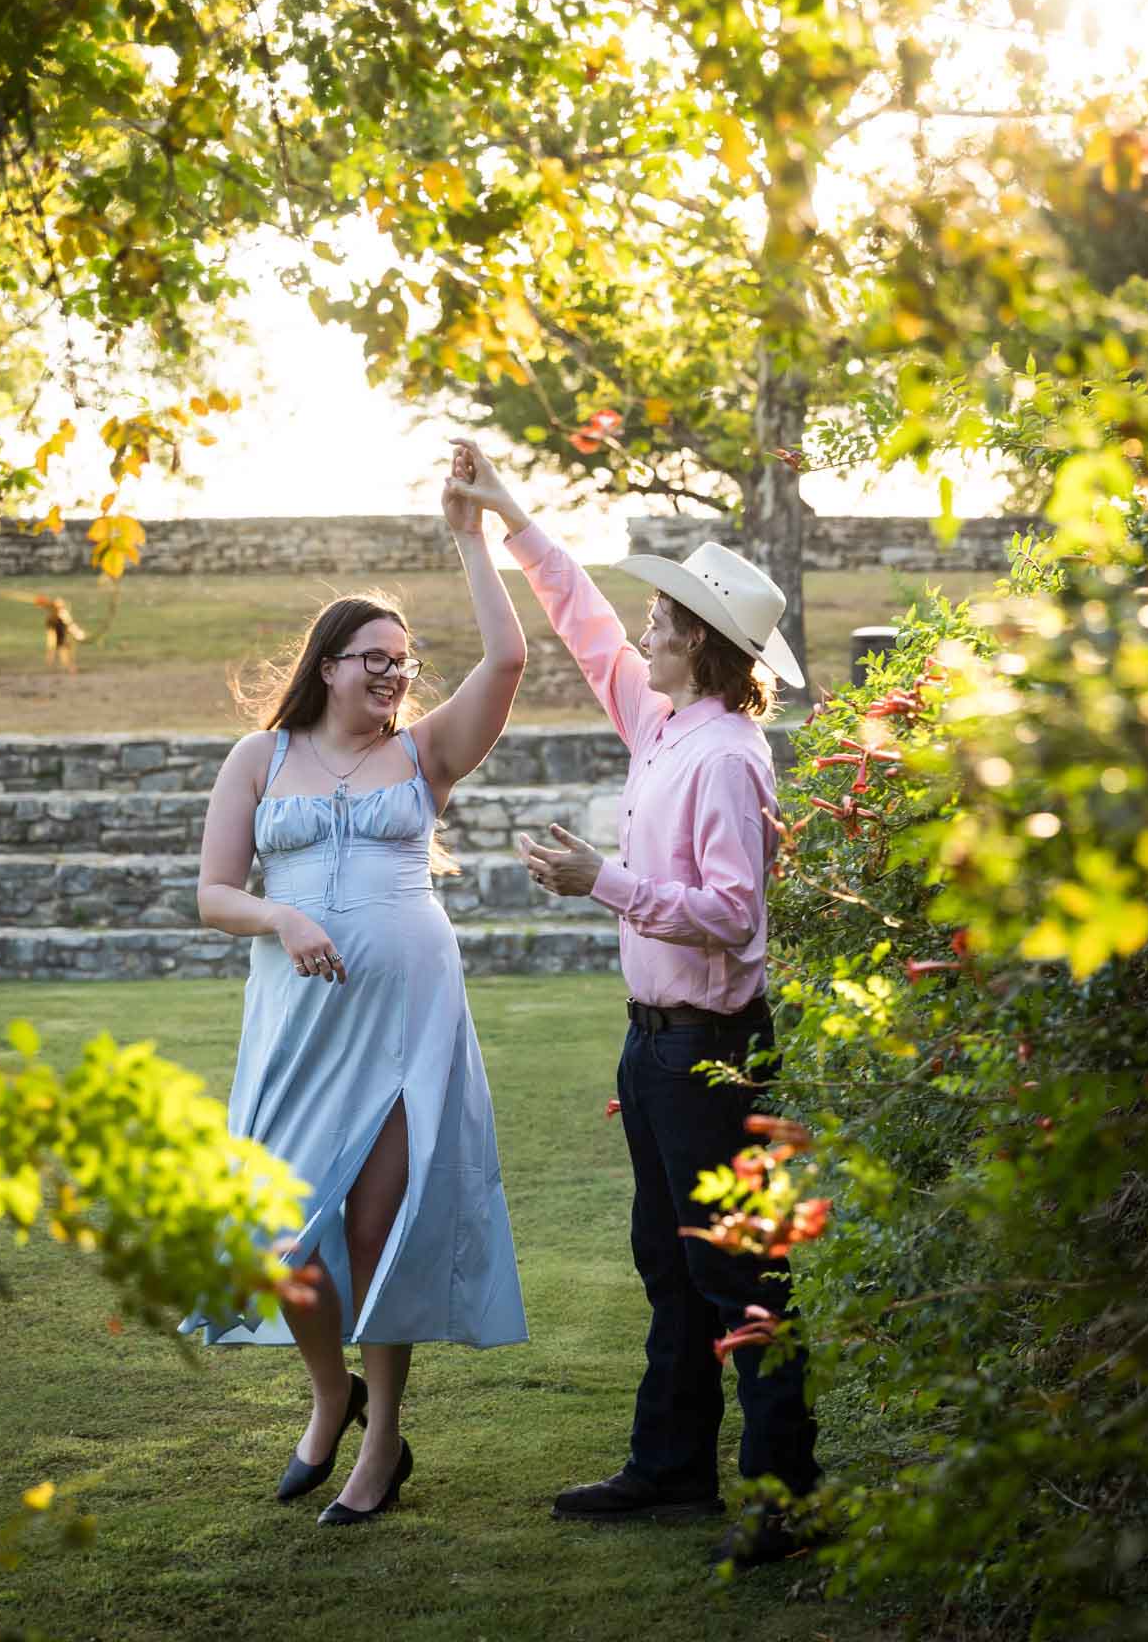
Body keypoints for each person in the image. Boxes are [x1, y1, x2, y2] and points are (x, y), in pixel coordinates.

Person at [444, 438, 821, 1568]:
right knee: (670, 1258)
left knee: (738, 1271)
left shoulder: (724, 757)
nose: (644, 624)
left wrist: (595, 880)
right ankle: (669, 1468)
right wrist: (503, 506)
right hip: (654, 1049)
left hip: (711, 1052)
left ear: (699, 640)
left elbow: (731, 915)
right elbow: (579, 614)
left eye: (662, 615)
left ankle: (785, 1501)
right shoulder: (665, 727)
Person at [184, 468, 528, 1524]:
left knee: (379, 1227)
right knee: (285, 1230)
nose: (392, 672)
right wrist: (283, 917)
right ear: (327, 665)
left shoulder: (425, 752)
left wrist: (473, 535)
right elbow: (210, 893)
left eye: (402, 659)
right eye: (372, 658)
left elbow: (509, 657)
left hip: (403, 1017)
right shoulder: (261, 754)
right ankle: (330, 1391)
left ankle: (381, 1440)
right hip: (298, 1020)